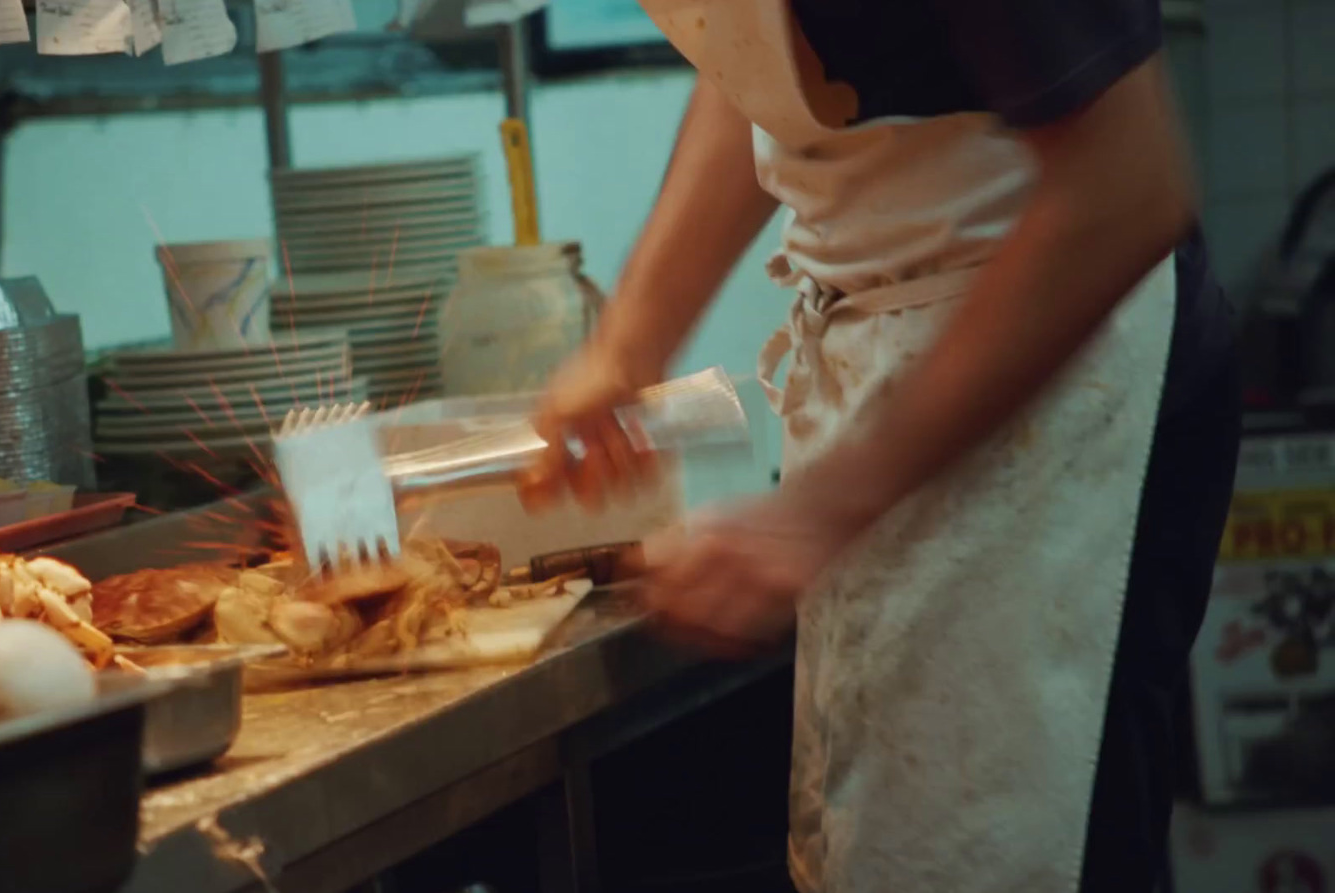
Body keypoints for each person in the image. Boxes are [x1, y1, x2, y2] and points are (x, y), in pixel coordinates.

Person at [518, 1, 1241, 892]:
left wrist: (816, 516)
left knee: (1008, 851)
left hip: (1057, 374)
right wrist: (627, 342)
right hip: (875, 355)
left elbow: (1125, 188)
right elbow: (751, 48)